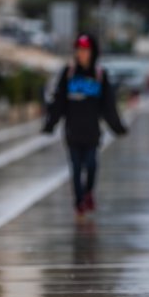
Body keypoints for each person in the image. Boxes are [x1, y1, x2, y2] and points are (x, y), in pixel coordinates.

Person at [43, 33, 127, 217]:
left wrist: (118, 127)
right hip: (72, 131)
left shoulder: (100, 75)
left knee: (91, 165)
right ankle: (79, 201)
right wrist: (50, 124)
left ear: (92, 52)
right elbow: (59, 102)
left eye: (85, 50)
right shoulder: (68, 73)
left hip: (92, 132)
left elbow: (108, 106)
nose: (81, 53)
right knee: (75, 167)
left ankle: (88, 192)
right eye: (79, 50)